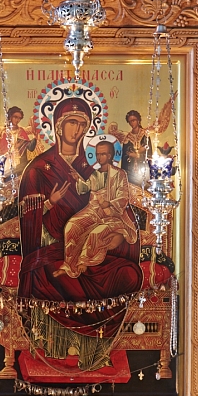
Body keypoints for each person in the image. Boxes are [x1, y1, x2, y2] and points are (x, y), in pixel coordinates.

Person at [18, 97, 143, 370]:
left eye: (82, 124)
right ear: (58, 126)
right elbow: (28, 220)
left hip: (95, 246)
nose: (76, 129)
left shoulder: (94, 167)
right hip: (51, 248)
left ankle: (96, 352)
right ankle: (55, 349)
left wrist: (118, 237)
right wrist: (49, 203)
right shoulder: (38, 169)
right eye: (71, 122)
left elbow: (120, 208)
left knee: (129, 274)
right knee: (50, 273)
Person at [54, 141, 137, 278]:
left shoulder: (119, 174)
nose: (99, 157)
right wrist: (78, 179)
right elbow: (86, 188)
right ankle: (68, 265)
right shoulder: (95, 174)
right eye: (97, 154)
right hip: (93, 210)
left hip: (112, 215)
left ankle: (84, 261)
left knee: (96, 232)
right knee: (71, 225)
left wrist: (107, 204)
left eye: (103, 154)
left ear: (110, 155)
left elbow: (123, 198)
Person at [0, 106, 36, 174]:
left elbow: (29, 146)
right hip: (8, 162)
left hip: (21, 161)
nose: (17, 120)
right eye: (15, 117)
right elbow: (1, 151)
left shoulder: (21, 131)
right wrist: (15, 147)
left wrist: (34, 138)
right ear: (10, 117)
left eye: (19, 118)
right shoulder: (4, 132)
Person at [121, 110, 148, 185]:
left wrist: (138, 155)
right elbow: (124, 156)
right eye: (129, 121)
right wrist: (129, 155)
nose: (132, 123)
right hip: (131, 171)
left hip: (143, 169)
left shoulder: (145, 135)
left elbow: (149, 154)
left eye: (133, 120)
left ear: (138, 120)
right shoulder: (128, 138)